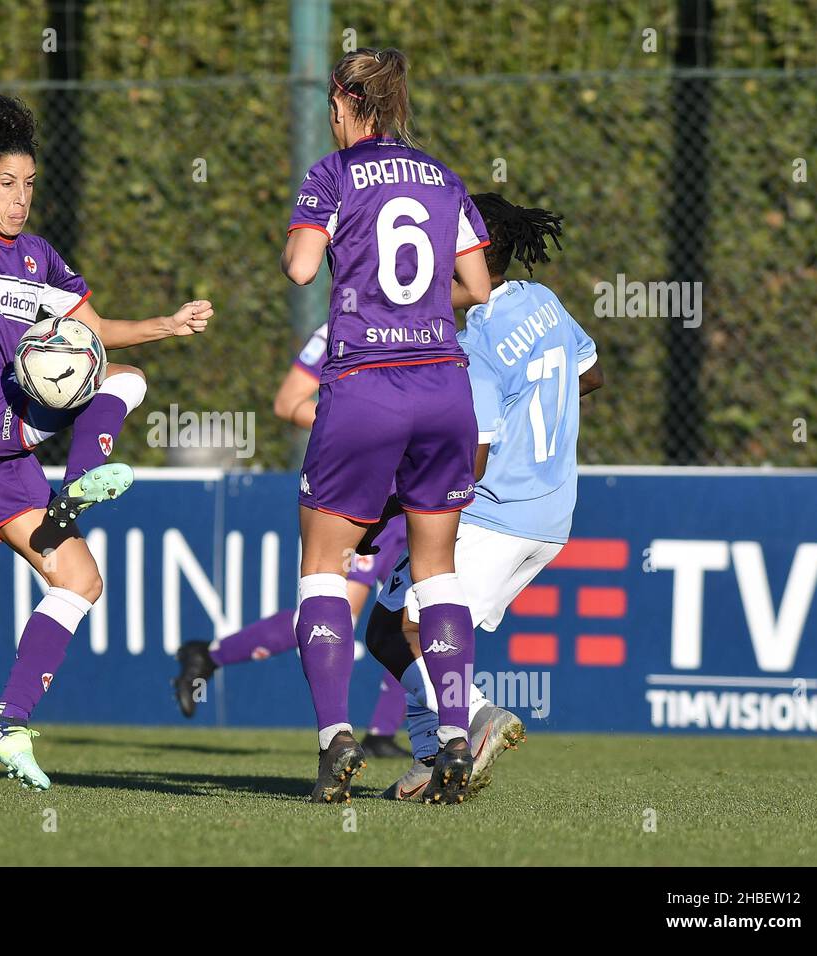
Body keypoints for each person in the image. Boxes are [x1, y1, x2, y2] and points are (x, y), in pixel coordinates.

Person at [0, 95, 212, 791]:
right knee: (83, 382)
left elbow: (96, 328)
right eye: (6, 184)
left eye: (28, 185)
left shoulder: (40, 260)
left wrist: (168, 324)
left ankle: (7, 721)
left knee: (81, 579)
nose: (20, 199)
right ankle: (82, 477)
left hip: (2, 451)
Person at [281, 48, 492, 803]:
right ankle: (458, 736)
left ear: (347, 100)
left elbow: (303, 268)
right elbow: (477, 285)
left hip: (365, 384)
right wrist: (420, 308)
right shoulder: (443, 176)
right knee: (436, 571)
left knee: (323, 566)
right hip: (444, 384)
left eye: (333, 102)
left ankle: (334, 737)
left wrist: (326, 253)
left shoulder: (331, 174)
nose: (329, 115)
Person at [363, 193, 605, 801]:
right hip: (552, 515)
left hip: (497, 508)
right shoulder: (542, 302)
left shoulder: (475, 343)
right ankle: (435, 759)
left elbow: (467, 460)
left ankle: (474, 717)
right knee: (395, 629)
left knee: (402, 632)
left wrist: (391, 508)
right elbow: (590, 375)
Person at [172, 322, 411, 759]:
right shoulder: (341, 324)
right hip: (364, 488)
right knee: (338, 609)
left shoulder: (427, 314)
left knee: (408, 608)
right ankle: (210, 656)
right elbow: (289, 402)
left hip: (412, 488)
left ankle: (382, 732)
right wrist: (365, 425)